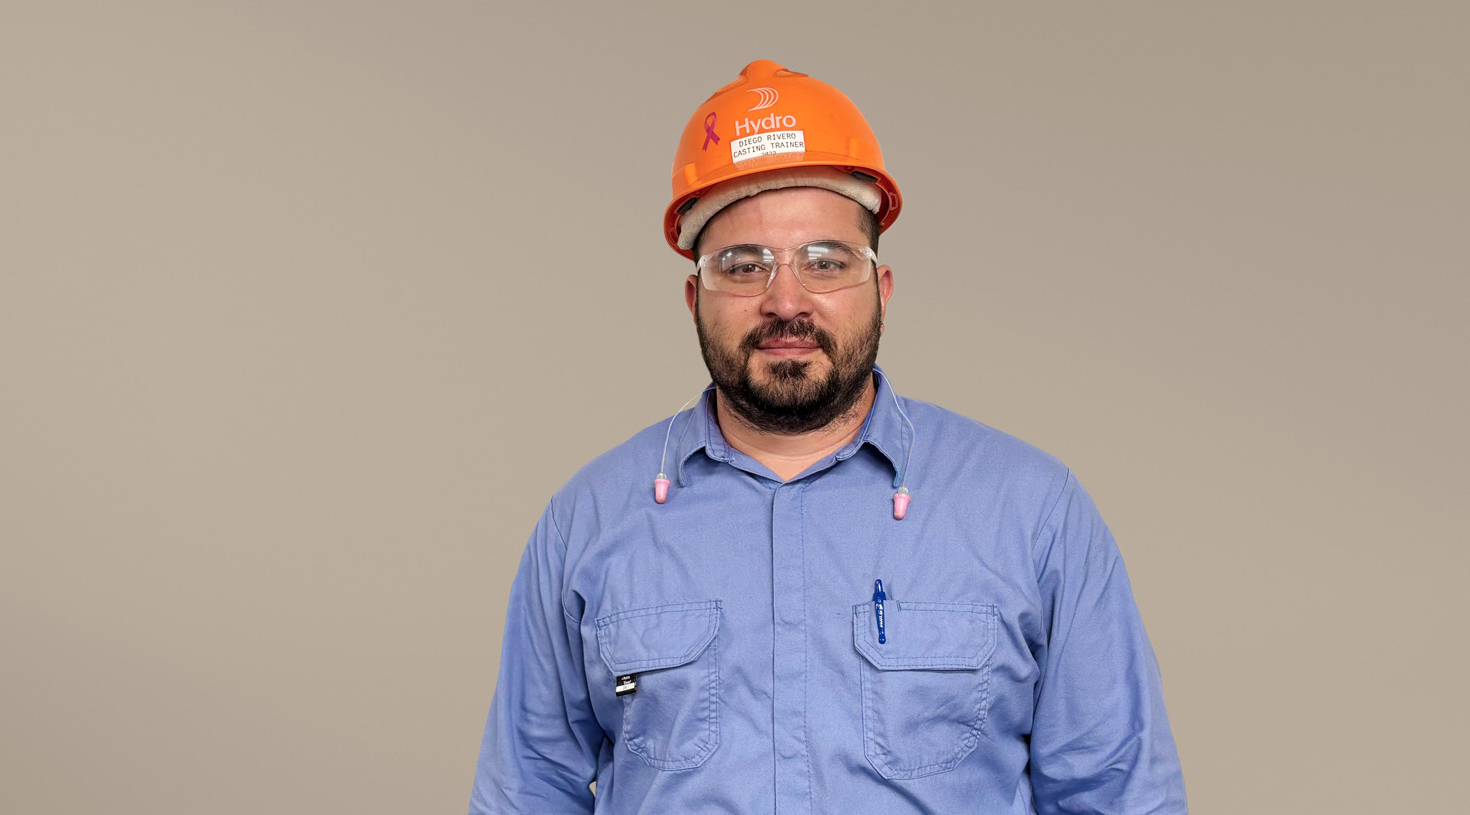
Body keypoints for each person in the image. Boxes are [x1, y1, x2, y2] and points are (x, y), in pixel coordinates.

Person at [467, 60, 1187, 815]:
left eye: (825, 262)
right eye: (743, 266)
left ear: (881, 289)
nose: (786, 300)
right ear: (693, 298)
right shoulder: (587, 522)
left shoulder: (1032, 512)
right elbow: (527, 792)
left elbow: (1119, 796)